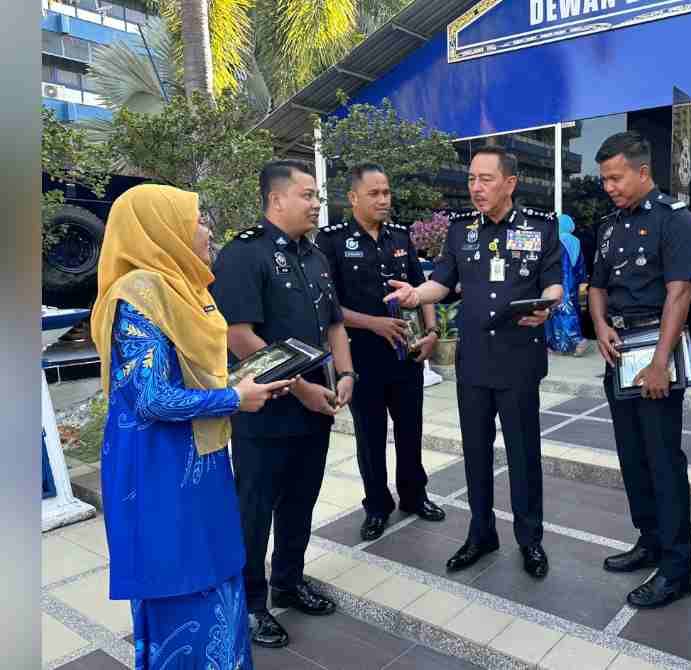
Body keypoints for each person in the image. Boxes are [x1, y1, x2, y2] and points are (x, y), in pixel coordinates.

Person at [92, 184, 294, 670]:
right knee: (180, 579)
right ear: (161, 230)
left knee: (216, 568)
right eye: (197, 220)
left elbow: (190, 373)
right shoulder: (137, 295)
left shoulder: (181, 288)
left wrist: (242, 382)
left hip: (197, 458)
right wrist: (234, 398)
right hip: (159, 469)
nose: (206, 230)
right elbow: (150, 397)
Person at [384, 146, 563, 578]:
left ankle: (530, 539)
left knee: (523, 454)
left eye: (485, 179)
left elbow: (555, 285)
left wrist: (549, 306)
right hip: (475, 361)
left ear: (510, 183)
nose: (476, 188)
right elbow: (441, 283)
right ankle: (481, 533)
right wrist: (414, 294)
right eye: (471, 180)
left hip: (519, 361)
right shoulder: (461, 231)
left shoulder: (541, 228)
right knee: (475, 452)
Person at [211, 160, 356, 648]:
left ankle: (288, 583)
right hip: (266, 410)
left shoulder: (314, 256)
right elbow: (240, 336)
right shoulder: (243, 254)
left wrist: (346, 374)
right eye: (308, 195)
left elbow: (334, 325)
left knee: (301, 500)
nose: (317, 203)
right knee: (254, 511)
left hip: (316, 408)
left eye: (316, 196)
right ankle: (251, 604)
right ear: (276, 200)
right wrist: (302, 388)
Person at [588, 131, 691, 609]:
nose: (609, 187)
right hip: (620, 353)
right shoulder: (610, 225)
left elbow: (680, 292)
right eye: (604, 180)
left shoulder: (676, 221)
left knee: (662, 460)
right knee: (632, 457)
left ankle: (677, 568)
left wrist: (660, 363)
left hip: (657, 353)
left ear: (641, 171)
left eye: (615, 177)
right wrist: (598, 325)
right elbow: (596, 285)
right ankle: (649, 541)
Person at [315, 163, 446, 541]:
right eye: (374, 193)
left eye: (386, 192)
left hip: (405, 354)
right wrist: (374, 323)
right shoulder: (333, 241)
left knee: (411, 429)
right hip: (362, 356)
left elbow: (423, 289)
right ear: (354, 197)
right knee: (370, 435)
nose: (384, 199)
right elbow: (329, 304)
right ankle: (376, 506)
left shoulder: (401, 236)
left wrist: (433, 331)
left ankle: (414, 495)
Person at [545, 213, 590, 356]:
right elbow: (580, 265)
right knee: (570, 310)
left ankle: (577, 341)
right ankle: (563, 346)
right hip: (573, 283)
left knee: (560, 311)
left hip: (561, 280)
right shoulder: (575, 241)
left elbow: (556, 264)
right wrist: (582, 280)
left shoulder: (558, 240)